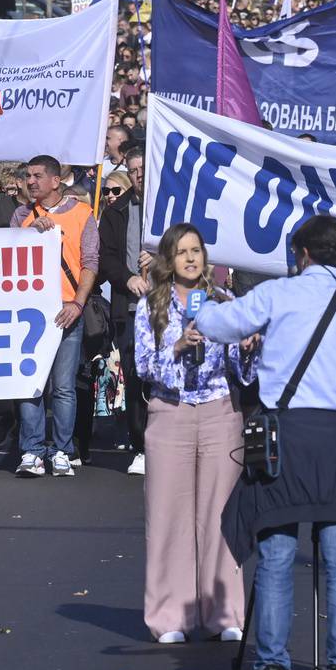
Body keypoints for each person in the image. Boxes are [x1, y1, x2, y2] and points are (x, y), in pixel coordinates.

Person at [195, 215, 336, 670]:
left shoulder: (277, 294)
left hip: (285, 434)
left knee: (277, 555)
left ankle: (273, 664)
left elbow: (216, 325)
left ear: (302, 254)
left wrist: (205, 301)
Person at [133, 223, 252, 644]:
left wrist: (248, 348)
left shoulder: (225, 302)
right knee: (169, 516)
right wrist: (179, 346)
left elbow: (241, 372)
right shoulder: (151, 306)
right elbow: (144, 367)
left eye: (196, 251)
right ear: (169, 258)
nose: (190, 258)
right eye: (182, 251)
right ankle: (170, 616)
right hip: (171, 413)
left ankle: (225, 613)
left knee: (222, 516)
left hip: (220, 412)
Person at [13, 156, 99, 479]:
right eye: (27, 176)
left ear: (55, 181)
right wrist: (28, 233)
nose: (30, 181)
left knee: (63, 387)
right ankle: (32, 451)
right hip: (29, 312)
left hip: (66, 309)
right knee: (31, 385)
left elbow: (90, 261)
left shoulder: (82, 214)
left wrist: (77, 304)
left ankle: (61, 450)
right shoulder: (21, 215)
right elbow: (8, 255)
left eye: (37, 176)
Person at [98, 145, 151, 475]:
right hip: (131, 308)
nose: (139, 176)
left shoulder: (176, 205)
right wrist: (128, 278)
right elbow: (106, 257)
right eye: (133, 171)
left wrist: (163, 262)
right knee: (135, 374)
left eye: (144, 169)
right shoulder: (117, 212)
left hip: (170, 307)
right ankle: (141, 444)